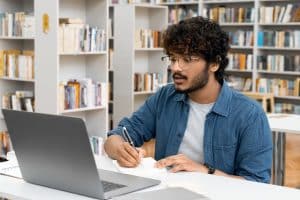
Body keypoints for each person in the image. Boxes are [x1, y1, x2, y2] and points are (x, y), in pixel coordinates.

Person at [104, 16, 272, 183]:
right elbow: (116, 136)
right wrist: (120, 149)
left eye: (187, 59)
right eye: (173, 58)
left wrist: (204, 171)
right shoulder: (165, 97)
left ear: (214, 64)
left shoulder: (250, 114)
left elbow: (256, 184)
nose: (175, 67)